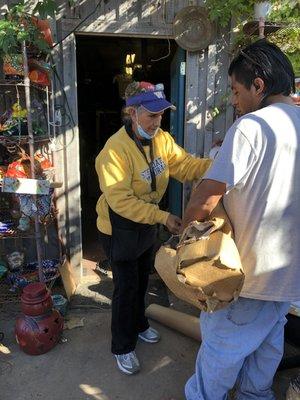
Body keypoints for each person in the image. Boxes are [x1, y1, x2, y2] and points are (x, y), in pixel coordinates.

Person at [182, 39, 300, 400]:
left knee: (220, 353)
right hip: (289, 279)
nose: (234, 100)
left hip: (244, 279)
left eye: (235, 90)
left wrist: (184, 242)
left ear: (258, 85)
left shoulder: (252, 127)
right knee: (266, 350)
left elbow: (206, 196)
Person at [95, 81, 211, 375]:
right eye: (152, 115)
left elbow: (185, 165)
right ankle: (123, 347)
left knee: (142, 280)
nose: (158, 121)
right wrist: (161, 216)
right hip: (118, 229)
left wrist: (216, 166)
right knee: (125, 287)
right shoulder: (114, 152)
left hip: (145, 226)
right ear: (132, 113)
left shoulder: (162, 140)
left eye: (161, 115)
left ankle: (140, 324)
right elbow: (120, 201)